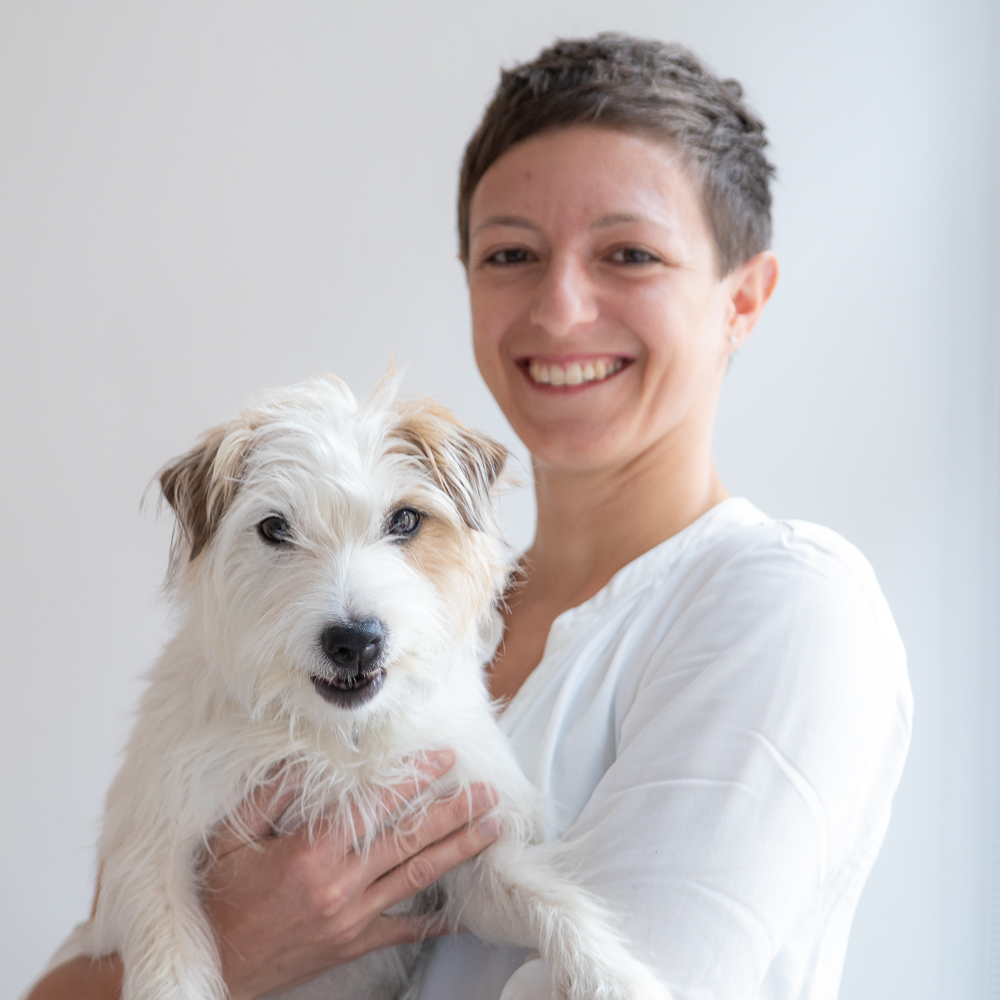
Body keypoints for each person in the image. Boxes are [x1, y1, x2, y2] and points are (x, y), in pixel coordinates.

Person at [25, 33, 912, 1000]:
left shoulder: (780, 605)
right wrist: (230, 948)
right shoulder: (418, 623)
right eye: (512, 254)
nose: (561, 309)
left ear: (745, 299)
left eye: (629, 253)